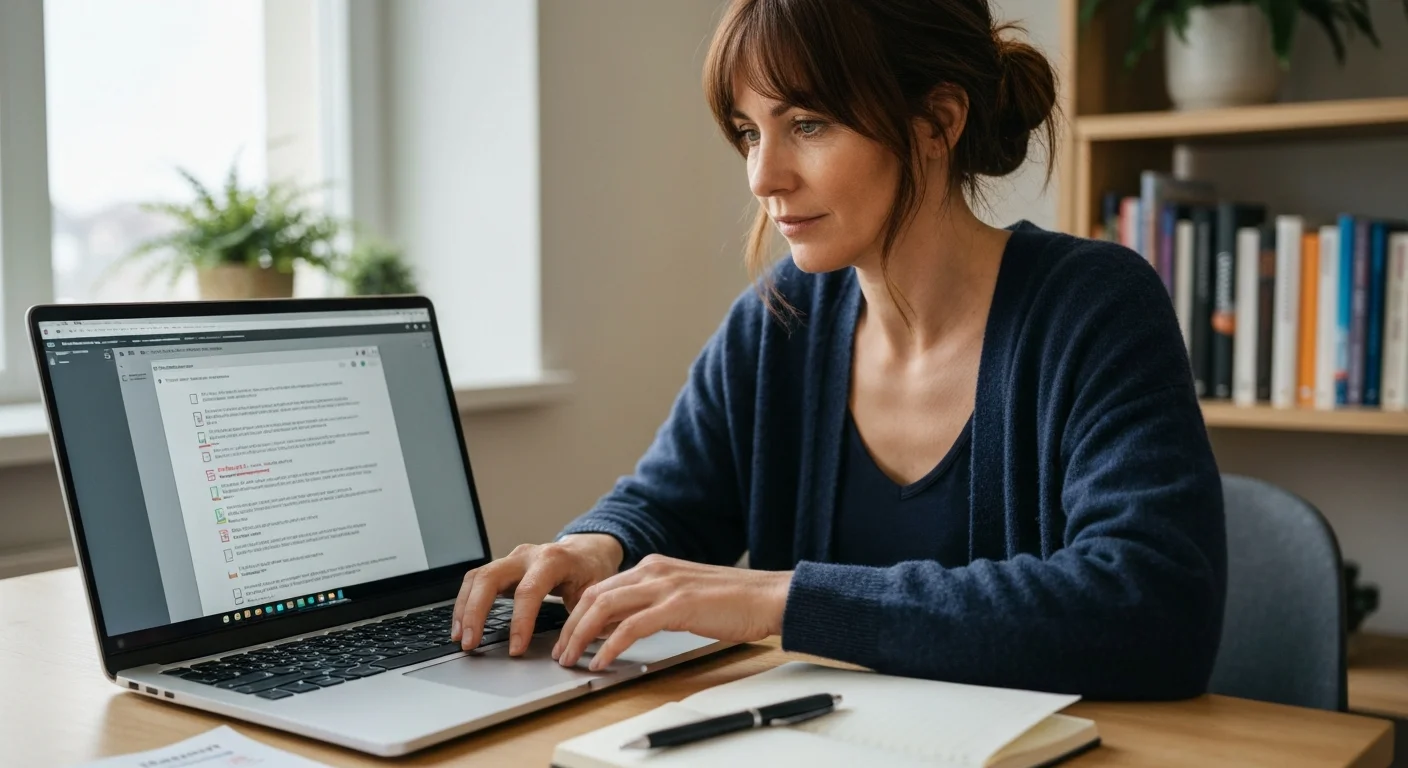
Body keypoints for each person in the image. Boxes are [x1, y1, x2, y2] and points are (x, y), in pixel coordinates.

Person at [450, 0, 1226, 699]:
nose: (764, 175)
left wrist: (780, 600)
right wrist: (597, 545)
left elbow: (1153, 611)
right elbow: (670, 503)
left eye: (808, 124)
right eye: (750, 132)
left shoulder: (1092, 308)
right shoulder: (777, 322)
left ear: (937, 122)